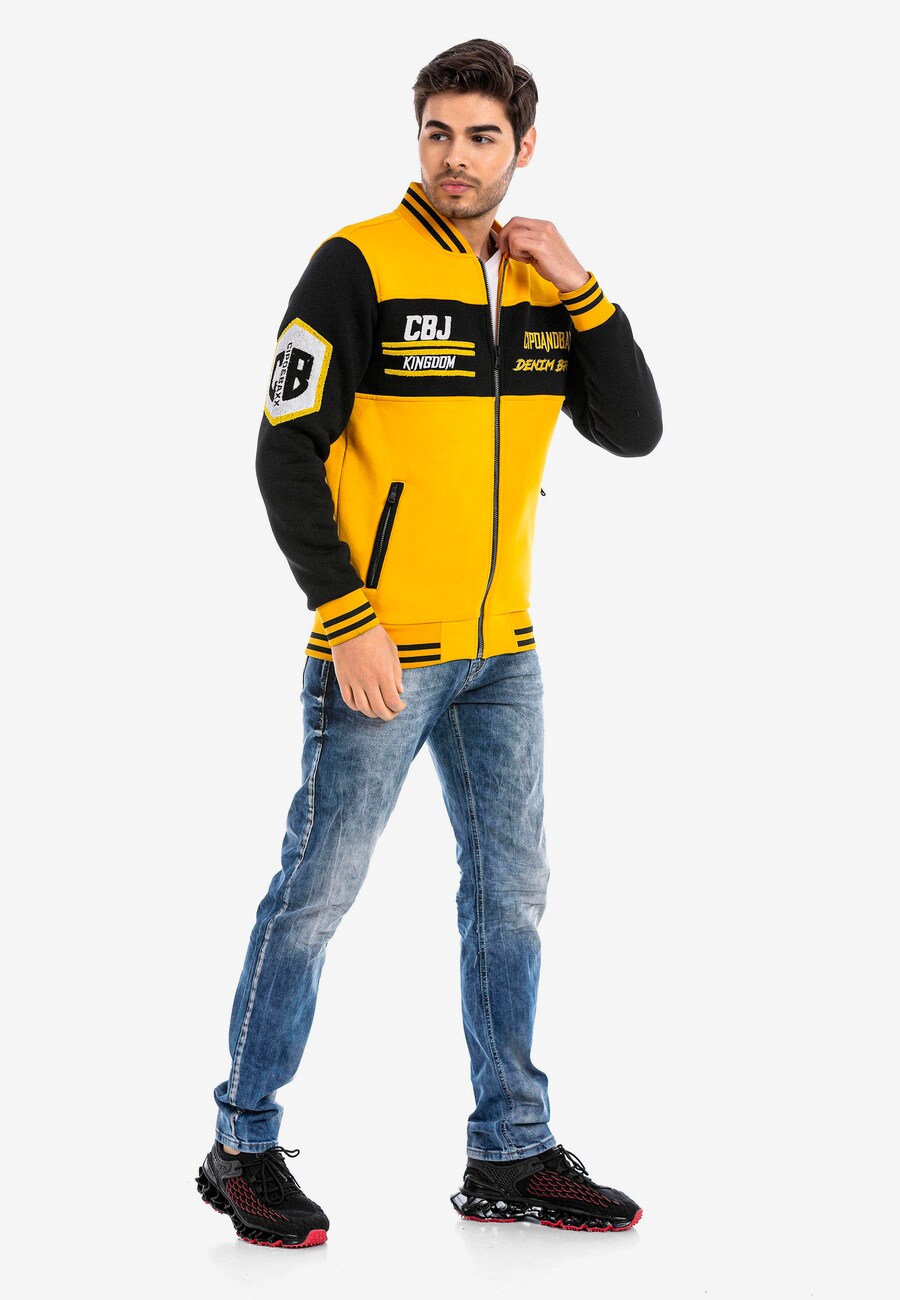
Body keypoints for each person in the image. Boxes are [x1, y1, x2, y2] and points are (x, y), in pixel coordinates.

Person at [196, 37, 663, 1248]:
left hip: (506, 653)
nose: (456, 158)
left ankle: (510, 1147)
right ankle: (241, 1142)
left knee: (512, 898)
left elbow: (634, 428)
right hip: (382, 653)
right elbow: (283, 451)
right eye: (438, 133)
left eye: (481, 137)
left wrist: (582, 285)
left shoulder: (542, 287)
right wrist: (347, 618)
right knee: (316, 893)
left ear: (524, 147)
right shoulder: (355, 264)